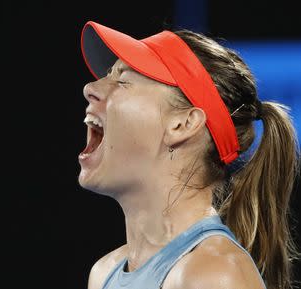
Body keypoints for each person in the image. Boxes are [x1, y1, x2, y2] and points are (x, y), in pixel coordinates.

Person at [77, 21, 299, 289]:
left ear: (183, 124)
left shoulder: (214, 276)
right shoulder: (103, 274)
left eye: (123, 80)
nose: (90, 88)